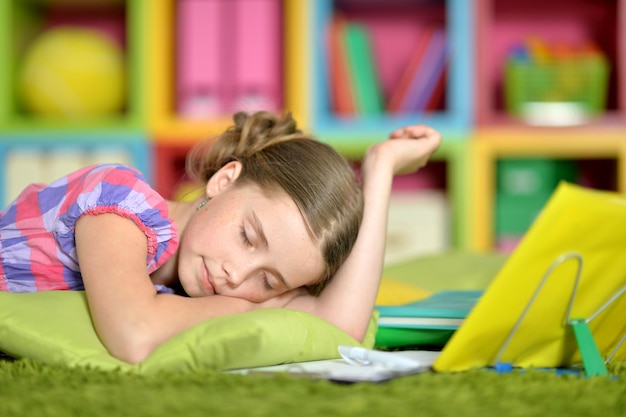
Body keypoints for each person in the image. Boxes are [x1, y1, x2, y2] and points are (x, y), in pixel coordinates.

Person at [0, 111, 441, 364]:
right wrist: (249, 305)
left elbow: (339, 327)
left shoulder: (204, 279)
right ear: (224, 180)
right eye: (248, 237)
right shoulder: (118, 201)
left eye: (268, 282)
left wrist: (380, 172)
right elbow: (134, 335)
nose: (237, 276)